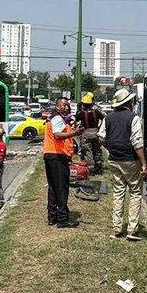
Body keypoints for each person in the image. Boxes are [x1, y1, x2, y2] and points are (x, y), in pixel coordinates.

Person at [99, 87, 147, 241]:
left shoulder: (108, 117)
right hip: (130, 160)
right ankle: (133, 230)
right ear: (128, 102)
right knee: (135, 192)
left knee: (119, 192)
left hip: (114, 159)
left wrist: (111, 148)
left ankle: (117, 228)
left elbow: (101, 138)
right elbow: (137, 143)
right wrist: (144, 164)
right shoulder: (133, 118)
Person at [44, 97, 83, 228]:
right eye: (64, 105)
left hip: (50, 155)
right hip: (57, 156)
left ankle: (52, 216)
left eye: (68, 105)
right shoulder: (57, 118)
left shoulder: (53, 117)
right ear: (57, 106)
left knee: (53, 188)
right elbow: (57, 135)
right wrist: (74, 133)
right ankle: (62, 219)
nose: (66, 108)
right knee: (61, 188)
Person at [74, 92, 106, 175]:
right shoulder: (96, 112)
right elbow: (104, 119)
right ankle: (99, 167)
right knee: (97, 150)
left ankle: (91, 169)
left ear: (83, 105)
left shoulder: (81, 113)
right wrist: (100, 128)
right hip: (95, 133)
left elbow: (75, 120)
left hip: (86, 134)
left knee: (88, 151)